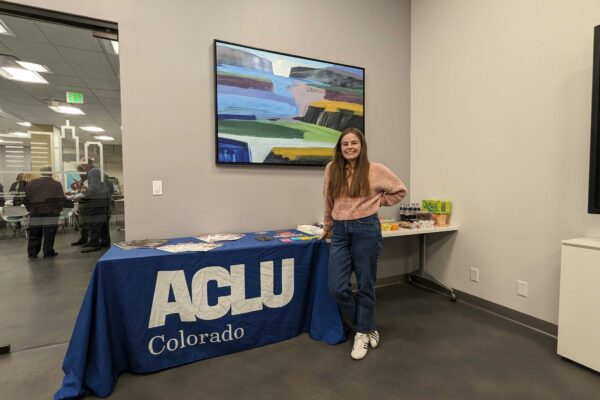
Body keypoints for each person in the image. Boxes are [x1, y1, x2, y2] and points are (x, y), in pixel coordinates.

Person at [320, 127, 407, 360]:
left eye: (354, 143)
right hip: (339, 231)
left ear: (361, 146)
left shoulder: (375, 169)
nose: (349, 147)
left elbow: (400, 191)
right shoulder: (332, 169)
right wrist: (327, 225)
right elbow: (328, 200)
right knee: (337, 287)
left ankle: (361, 334)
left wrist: (378, 202)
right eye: (345, 144)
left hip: (366, 229)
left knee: (366, 283)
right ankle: (366, 326)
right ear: (340, 147)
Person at [24, 167, 69, 258]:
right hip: (51, 212)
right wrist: (58, 210)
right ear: (51, 173)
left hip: (35, 211)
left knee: (34, 233)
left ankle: (32, 252)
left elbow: (27, 198)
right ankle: (48, 252)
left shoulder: (31, 183)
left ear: (41, 172)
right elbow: (60, 199)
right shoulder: (56, 184)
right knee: (49, 233)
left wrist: (30, 209)